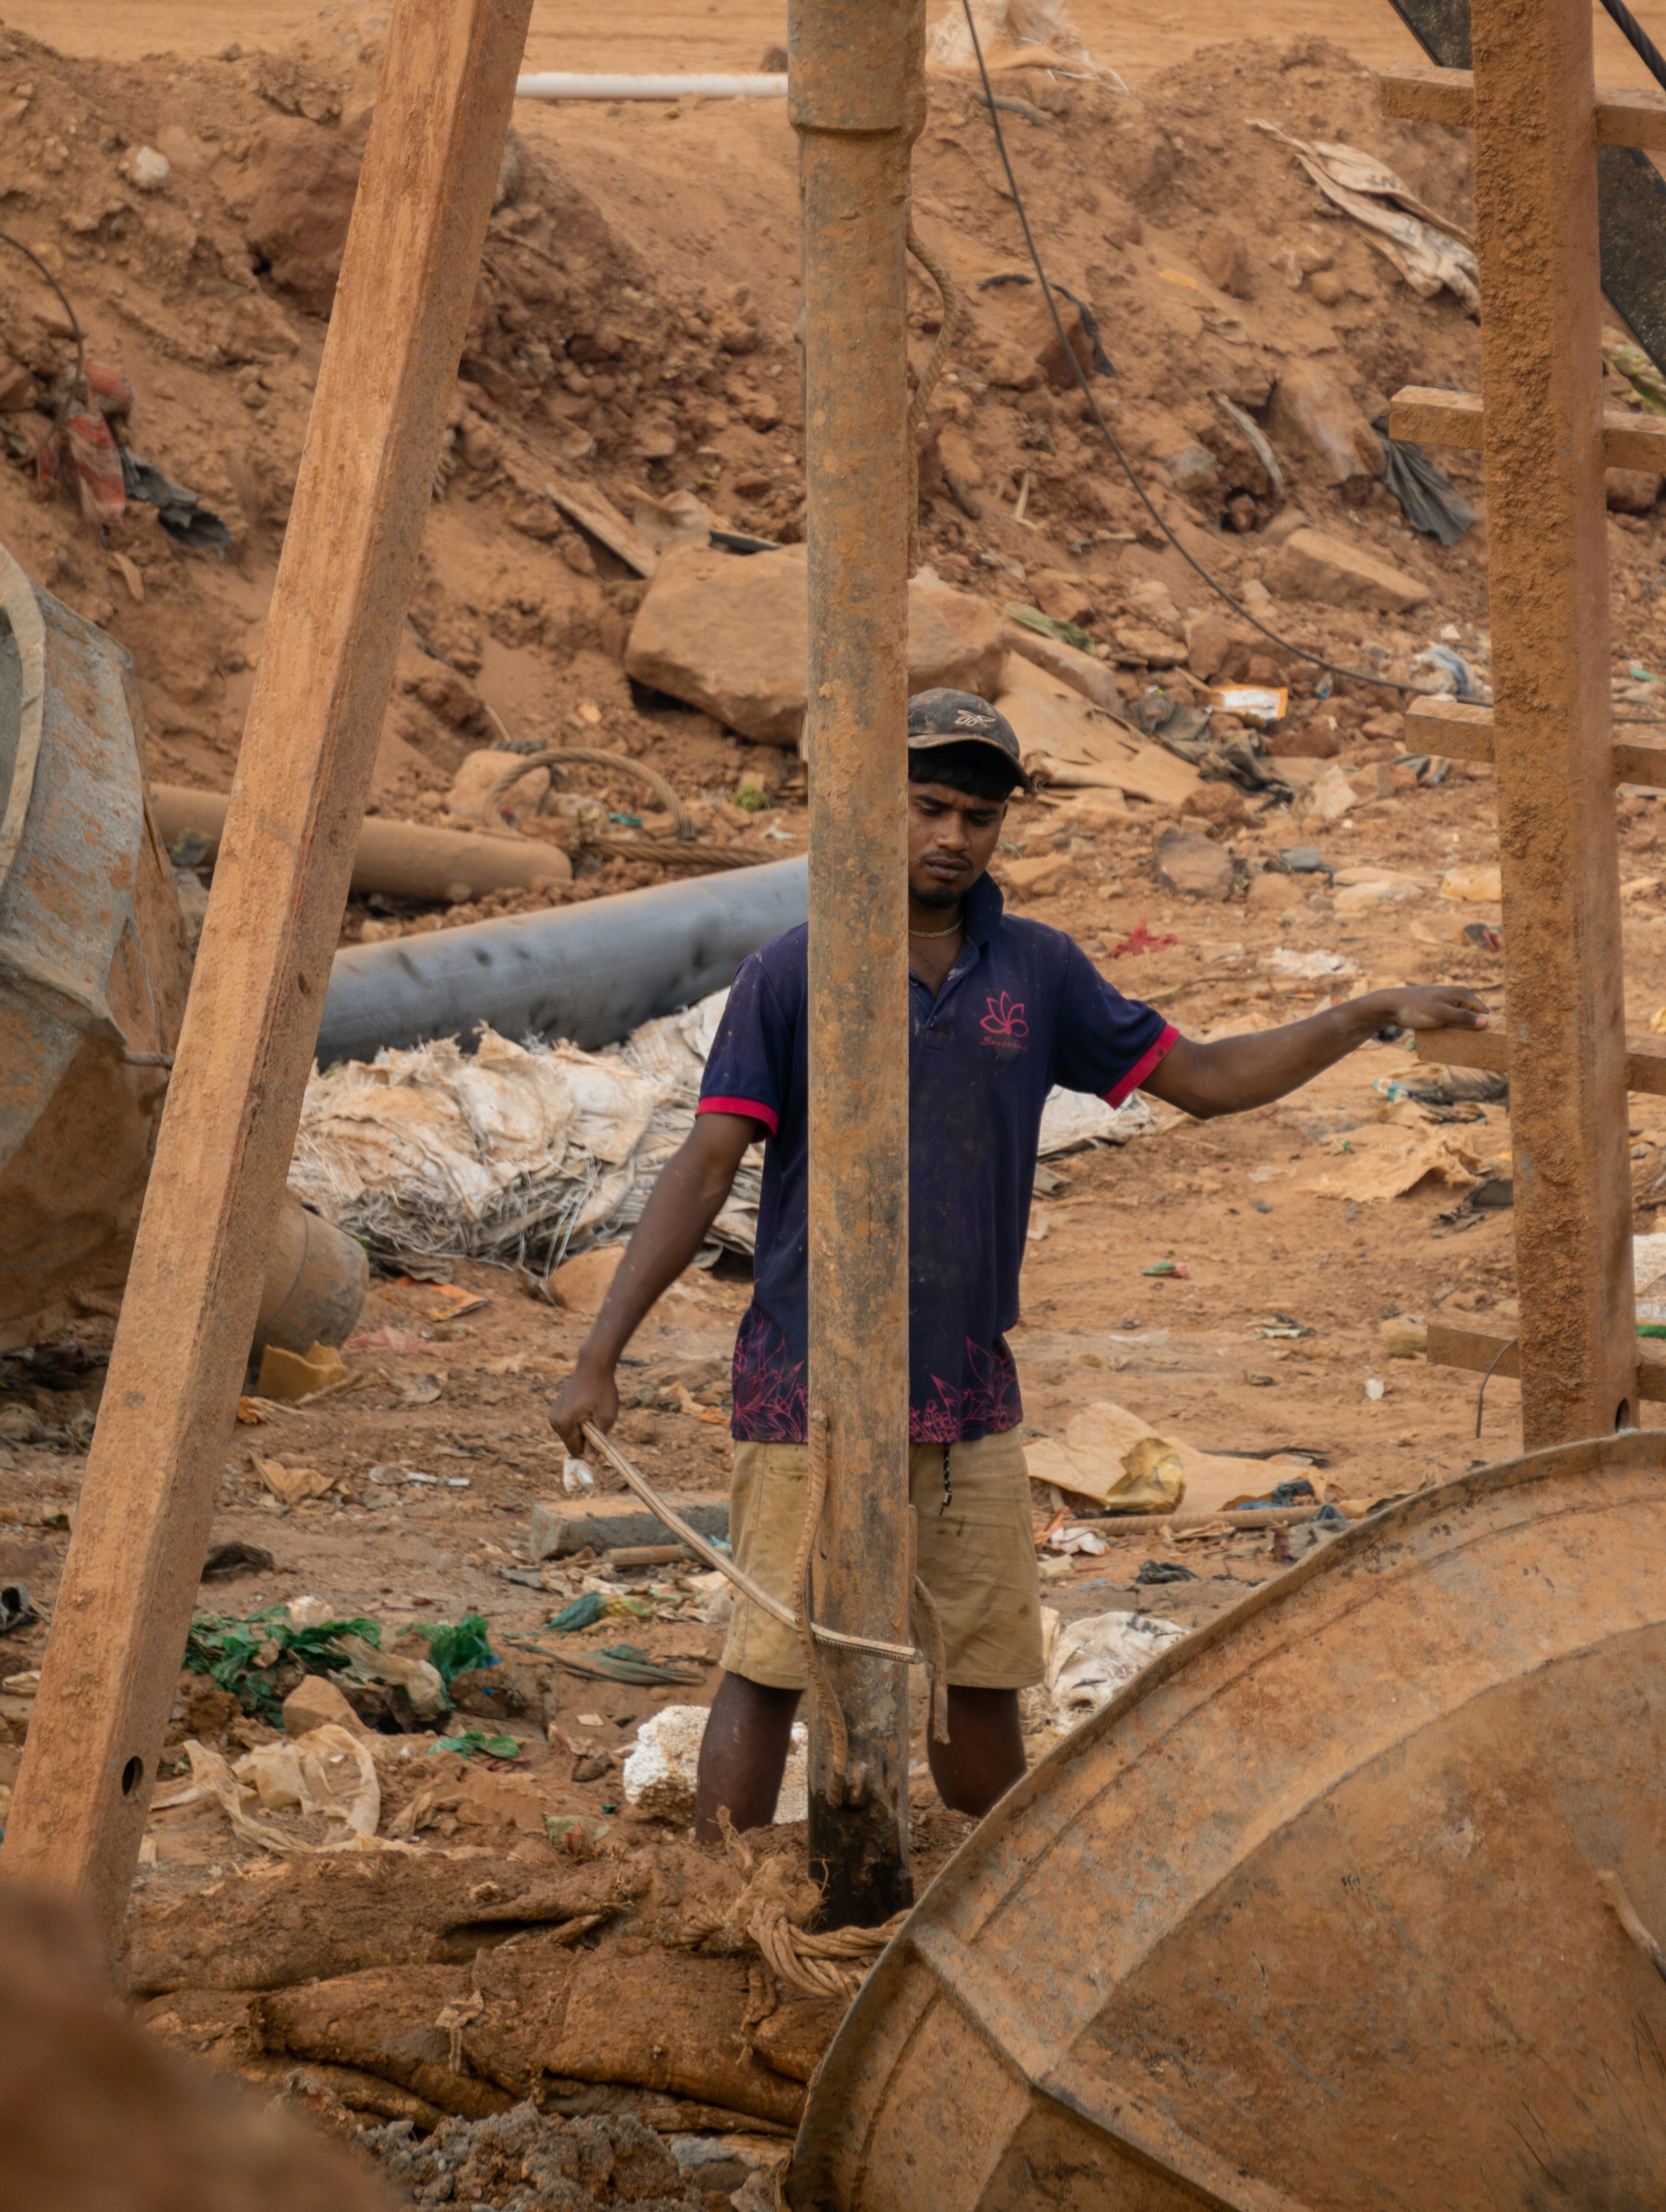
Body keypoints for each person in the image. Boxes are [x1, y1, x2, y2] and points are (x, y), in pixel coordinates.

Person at [550, 690, 1488, 1838]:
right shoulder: (794, 973)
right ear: (878, 808)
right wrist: (598, 1359)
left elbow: (1204, 1079)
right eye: (929, 806)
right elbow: (705, 1165)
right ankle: (714, 1898)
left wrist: (1364, 1013)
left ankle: (1003, 1892)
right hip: (808, 1384)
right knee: (772, 1662)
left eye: (979, 816)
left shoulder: (1036, 973)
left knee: (981, 1686)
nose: (952, 835)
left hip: (966, 1390)